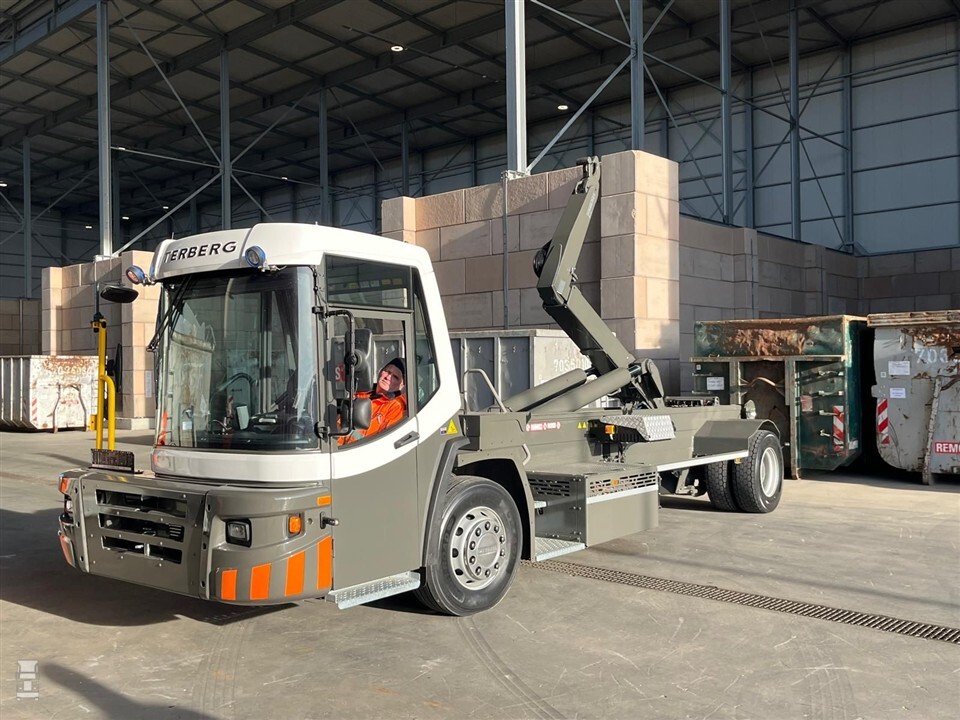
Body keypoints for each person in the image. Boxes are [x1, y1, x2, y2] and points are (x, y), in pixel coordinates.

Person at [338, 357, 407, 445]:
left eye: (395, 377)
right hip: (341, 448)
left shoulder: (396, 407)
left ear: (402, 385)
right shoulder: (361, 394)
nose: (388, 377)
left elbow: (385, 441)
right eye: (387, 371)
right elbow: (340, 426)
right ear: (380, 371)